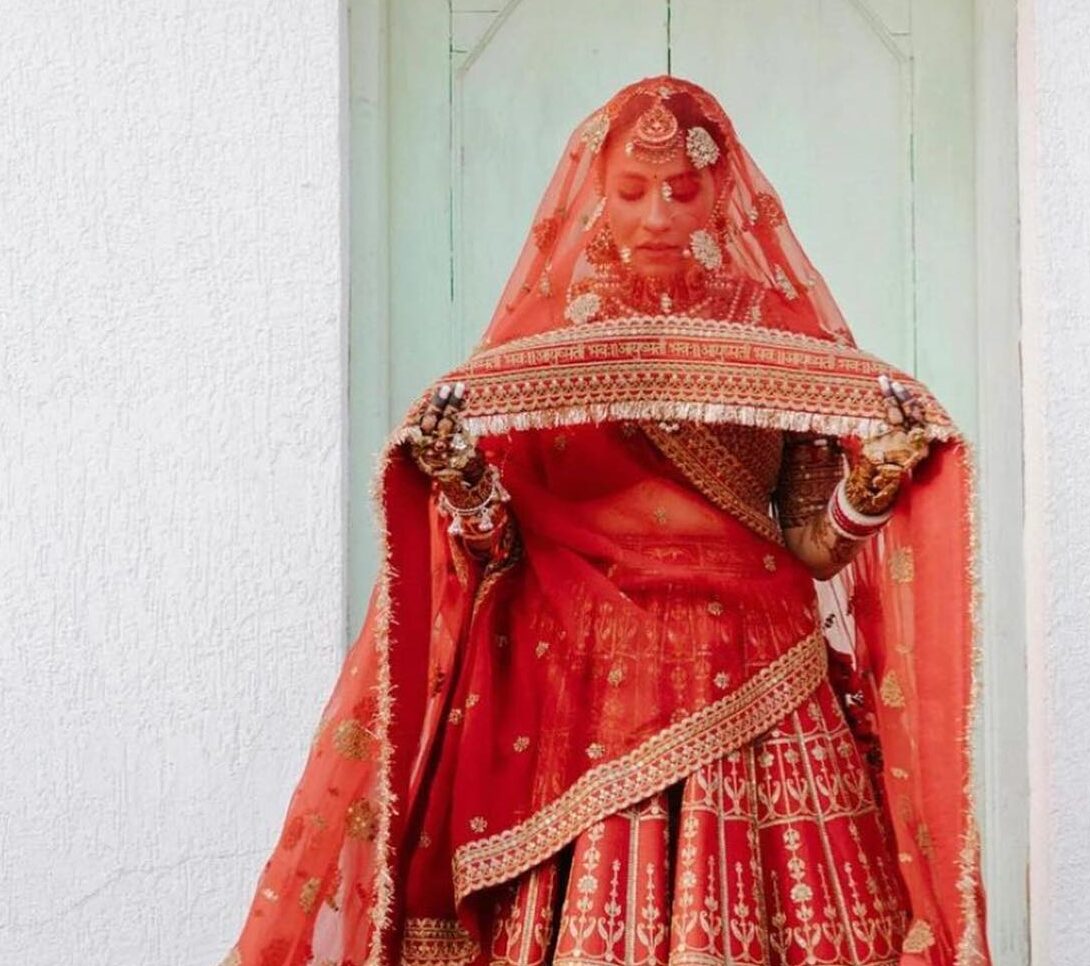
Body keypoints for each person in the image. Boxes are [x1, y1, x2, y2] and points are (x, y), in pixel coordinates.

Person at [222, 75, 988, 966]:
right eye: (630, 191)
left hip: (761, 671)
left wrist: (878, 480)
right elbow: (497, 545)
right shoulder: (540, 349)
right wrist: (462, 480)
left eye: (681, 190)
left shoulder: (784, 346)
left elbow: (815, 547)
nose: (657, 214)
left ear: (721, 195)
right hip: (583, 678)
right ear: (595, 194)